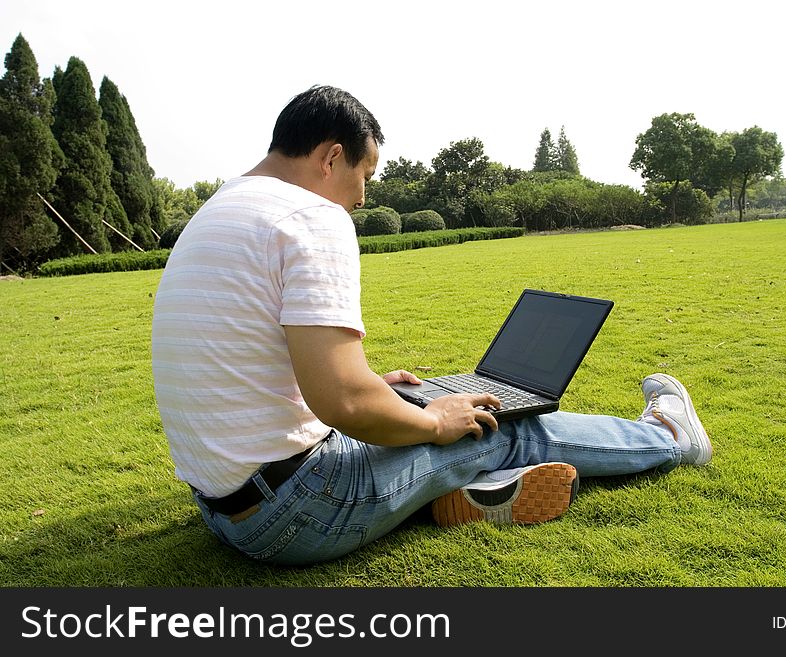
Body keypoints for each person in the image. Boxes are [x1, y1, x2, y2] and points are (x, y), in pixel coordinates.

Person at [151, 85, 713, 566]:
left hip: (226, 509)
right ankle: (669, 438)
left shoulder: (218, 209)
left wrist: (385, 394)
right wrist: (433, 422)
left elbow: (265, 365)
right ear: (331, 158)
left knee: (427, 404)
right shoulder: (309, 216)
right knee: (500, 424)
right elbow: (344, 402)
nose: (363, 196)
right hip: (299, 512)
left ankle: (473, 492)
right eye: (365, 174)